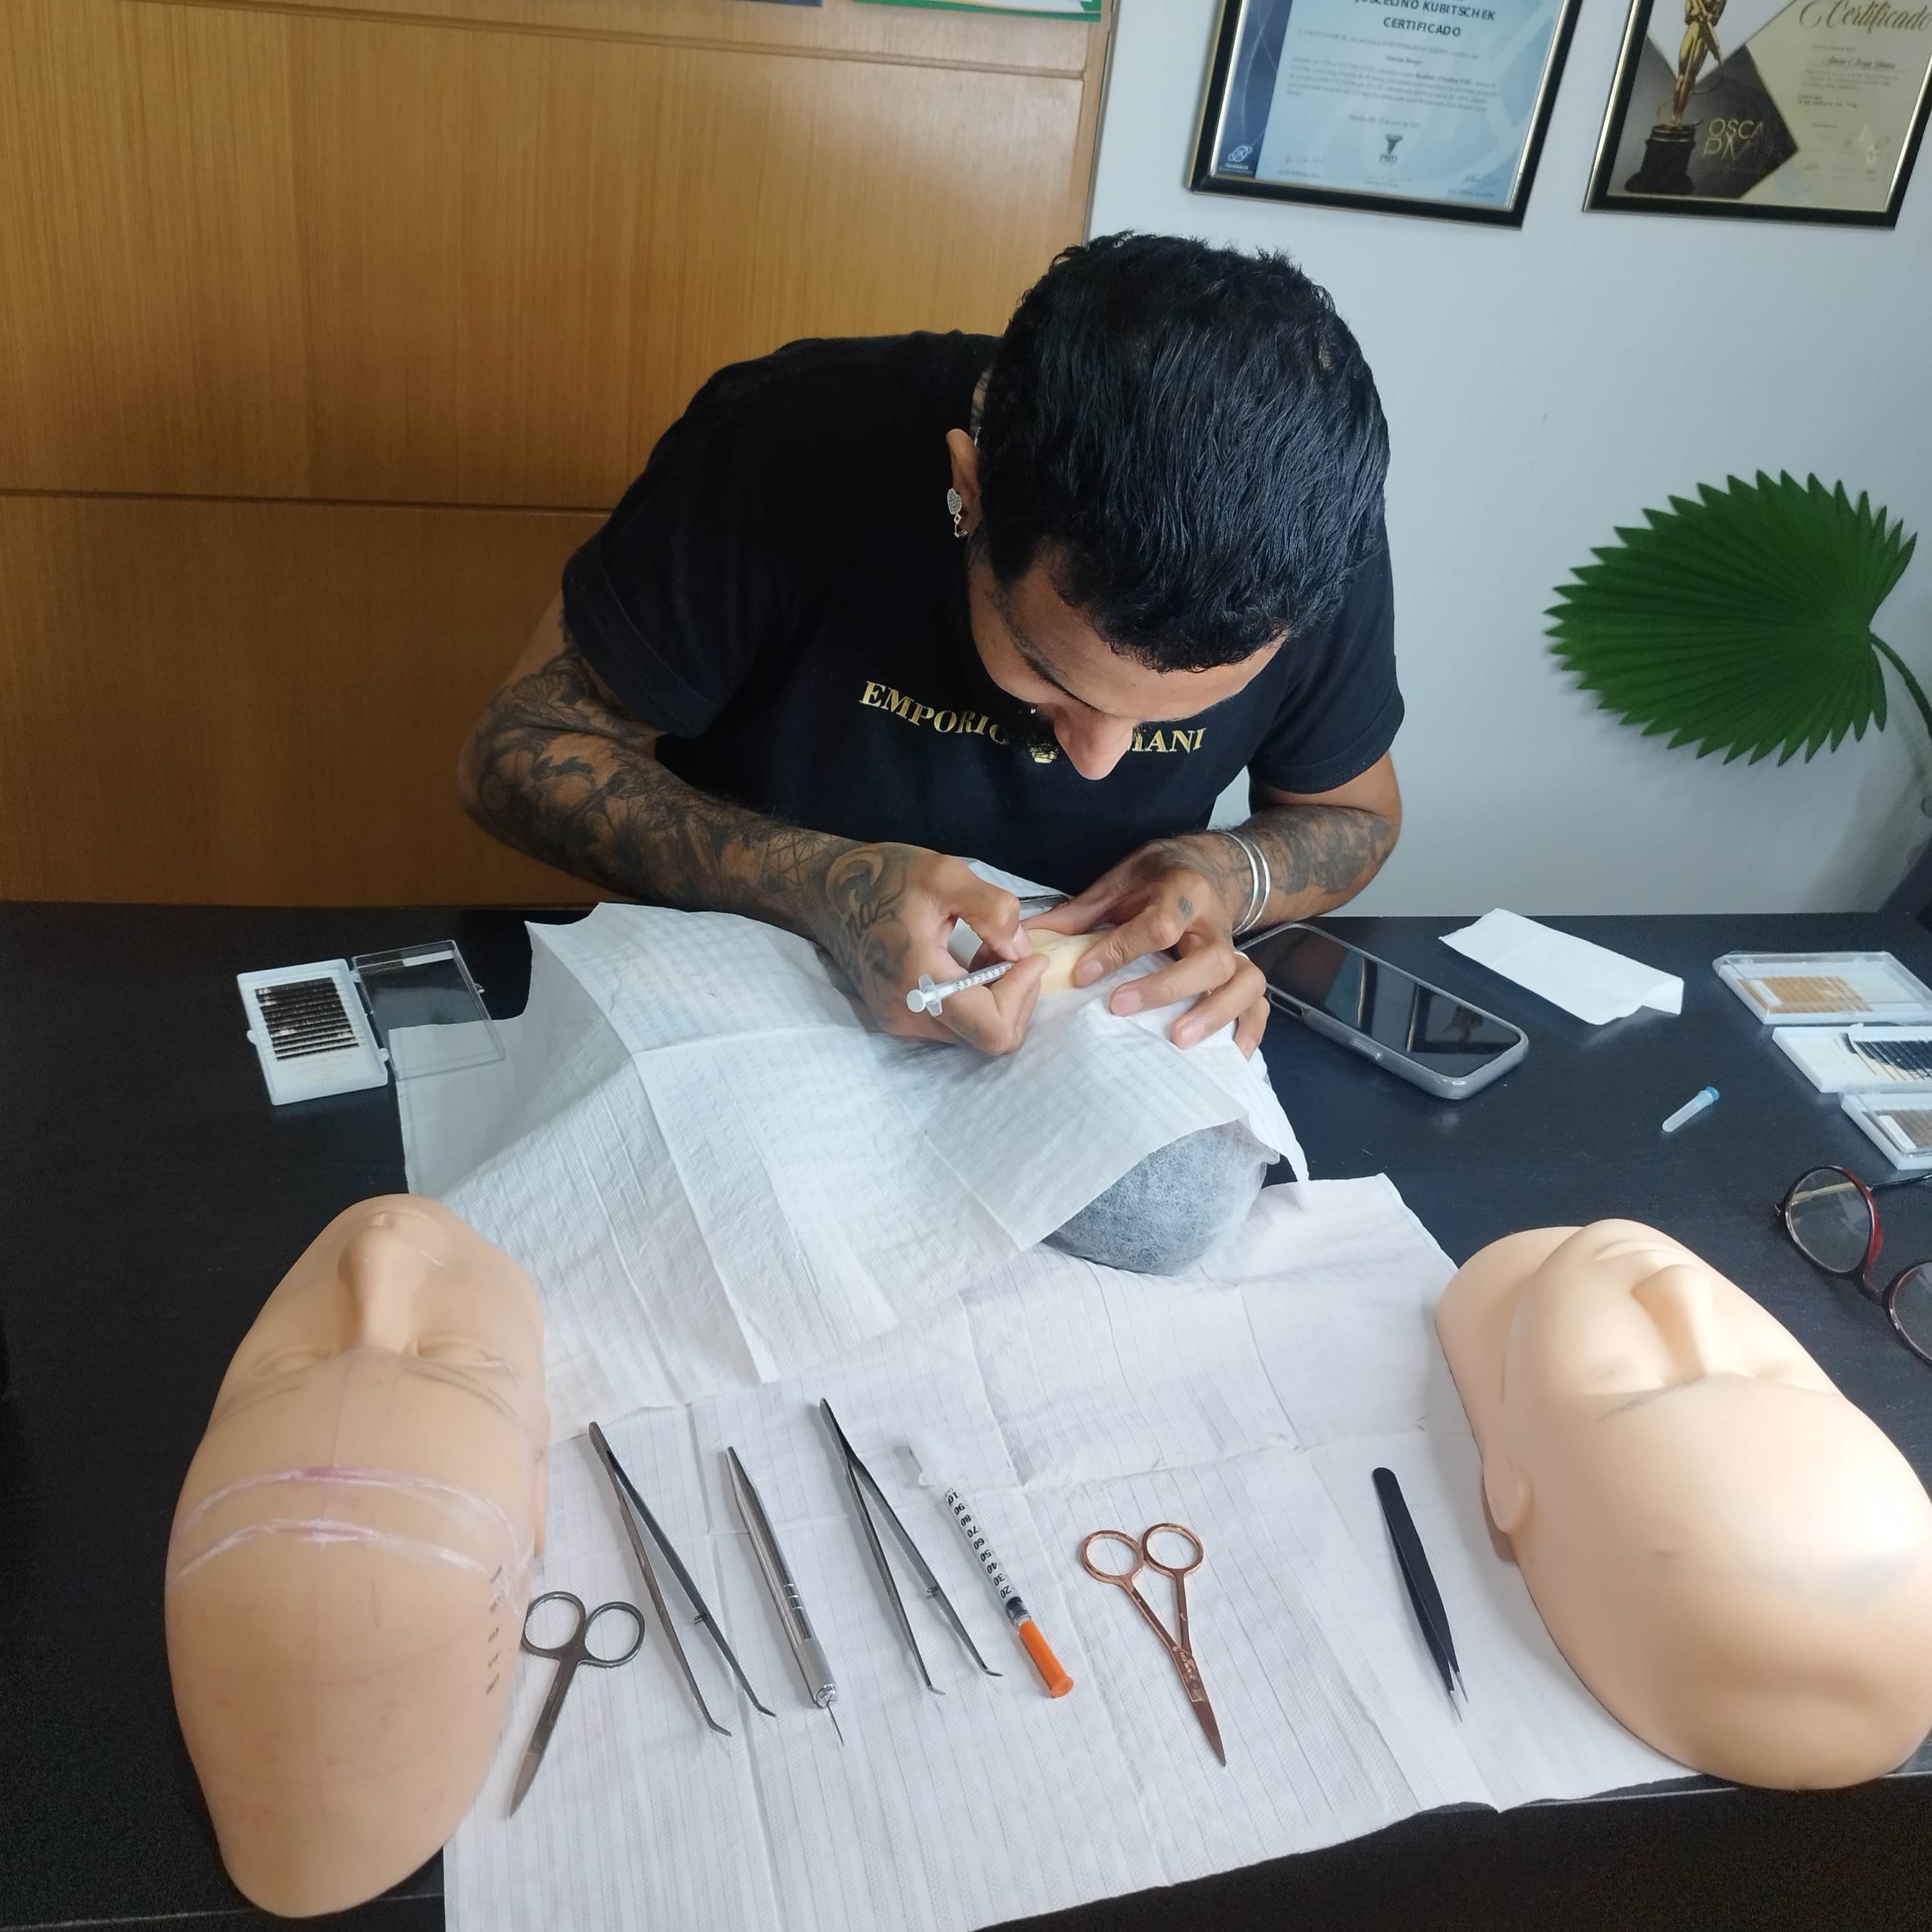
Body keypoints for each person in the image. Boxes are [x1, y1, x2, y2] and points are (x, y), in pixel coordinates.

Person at [459, 232, 1402, 1057]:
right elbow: (517, 751)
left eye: (1181, 710)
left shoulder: (1304, 543)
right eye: (1050, 675)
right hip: (745, 999)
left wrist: (1229, 876)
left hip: (1086, 1040)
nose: (1099, 760)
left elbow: (1356, 816)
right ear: (969, 490)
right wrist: (815, 883)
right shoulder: (789, 444)